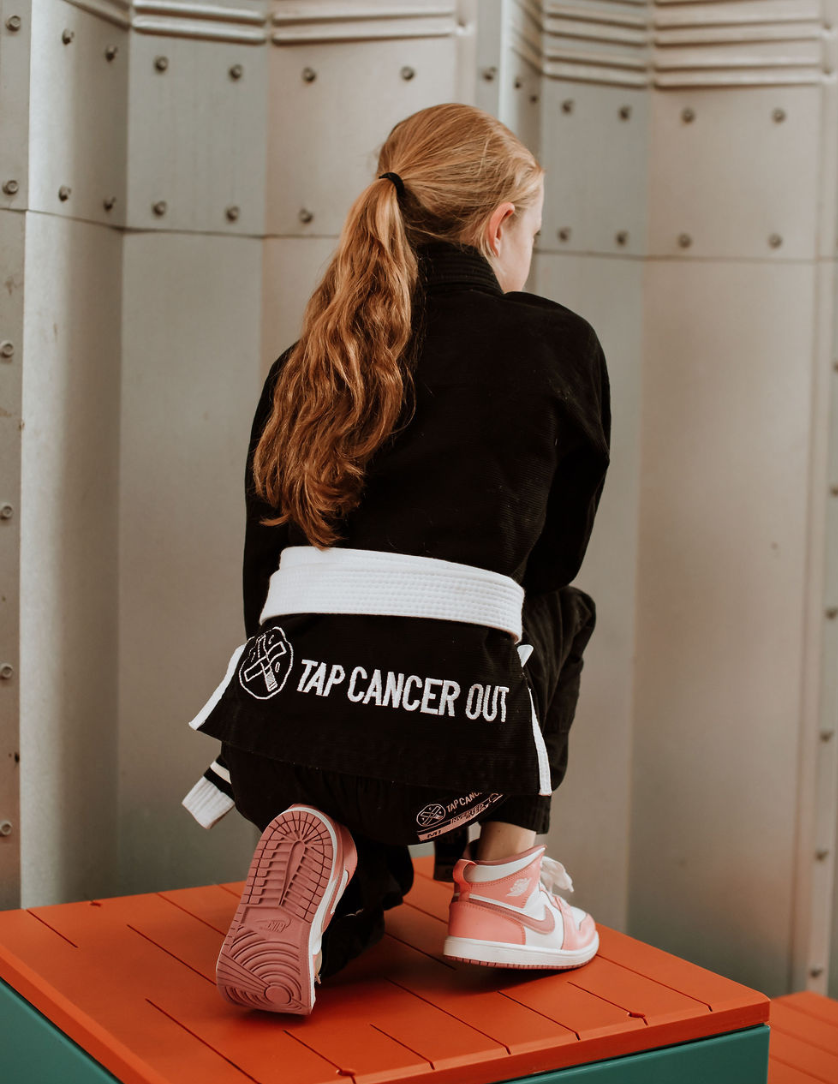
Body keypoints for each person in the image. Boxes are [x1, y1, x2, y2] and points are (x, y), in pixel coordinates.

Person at [181, 101, 611, 1015]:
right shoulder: (552, 343)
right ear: (499, 226)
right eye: (533, 232)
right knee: (560, 610)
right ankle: (502, 886)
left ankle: (345, 876)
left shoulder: (309, 360)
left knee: (353, 688)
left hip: (277, 746)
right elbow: (549, 562)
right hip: (451, 764)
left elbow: (264, 585)